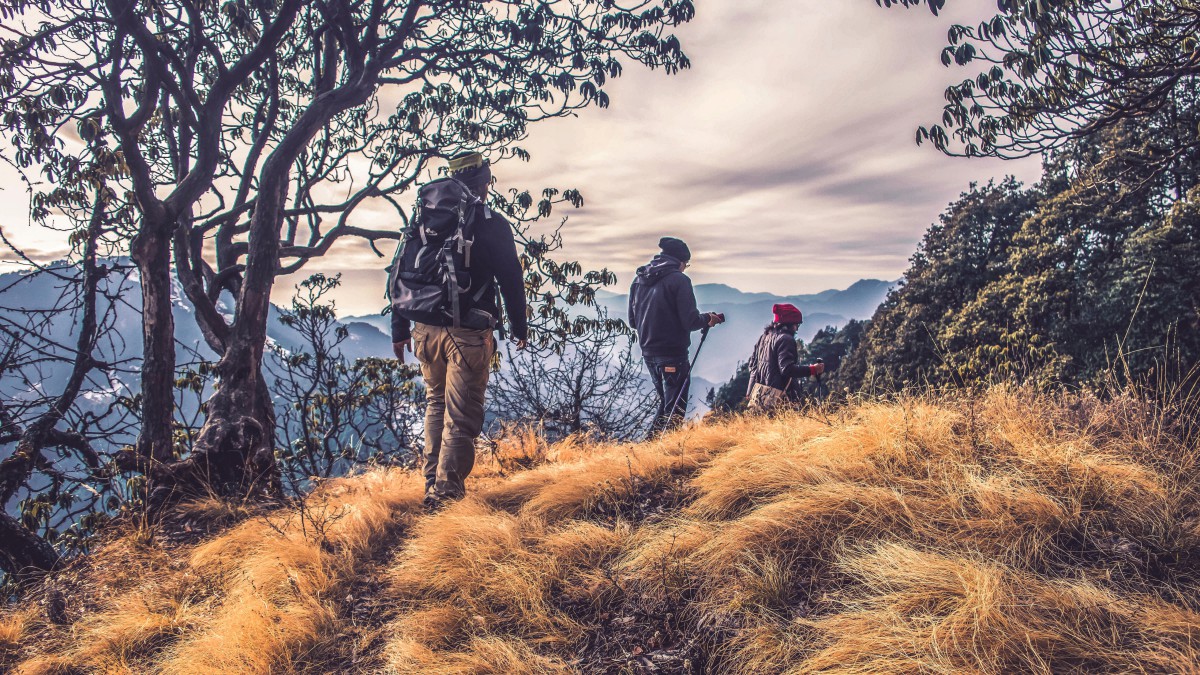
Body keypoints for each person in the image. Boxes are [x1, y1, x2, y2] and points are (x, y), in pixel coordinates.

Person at [391, 151, 527, 509]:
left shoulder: (425, 220)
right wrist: (519, 325)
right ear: (483, 182)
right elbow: (511, 277)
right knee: (461, 414)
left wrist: (399, 328)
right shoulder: (490, 222)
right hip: (467, 332)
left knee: (436, 405)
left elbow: (401, 272)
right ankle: (446, 497)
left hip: (424, 328)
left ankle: (432, 485)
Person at [628, 237, 725, 436]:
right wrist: (708, 319)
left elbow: (632, 321)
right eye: (686, 265)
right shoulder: (679, 280)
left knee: (666, 404)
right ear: (680, 261)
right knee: (675, 409)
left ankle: (649, 450)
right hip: (673, 354)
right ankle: (664, 455)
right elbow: (690, 321)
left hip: (648, 353)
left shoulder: (639, 279)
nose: (685, 268)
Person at [745, 303, 824, 411]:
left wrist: (750, 390)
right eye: (797, 324)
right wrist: (813, 369)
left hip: (760, 397)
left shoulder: (764, 337)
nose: (796, 329)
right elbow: (787, 369)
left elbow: (752, 366)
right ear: (789, 324)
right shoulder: (785, 339)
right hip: (780, 398)